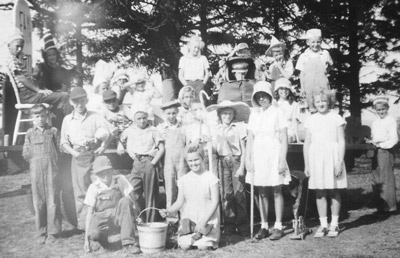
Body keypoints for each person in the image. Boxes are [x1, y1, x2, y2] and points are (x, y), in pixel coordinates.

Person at [60, 87, 113, 230]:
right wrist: (75, 154)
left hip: (94, 154)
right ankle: (84, 226)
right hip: (78, 156)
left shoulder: (95, 116)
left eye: (82, 101)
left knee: (99, 187)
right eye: (76, 101)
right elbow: (63, 142)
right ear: (71, 102)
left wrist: (103, 146)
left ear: (87, 101)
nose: (79, 104)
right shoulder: (67, 120)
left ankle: (102, 223)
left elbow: (110, 132)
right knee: (81, 192)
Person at [246, 81, 291, 241]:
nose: (262, 99)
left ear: (270, 96)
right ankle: (264, 225)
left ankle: (278, 226)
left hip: (274, 152)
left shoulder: (278, 112)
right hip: (258, 154)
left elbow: (284, 138)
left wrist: (282, 160)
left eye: (264, 96)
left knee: (277, 189)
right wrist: (248, 159)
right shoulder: (254, 114)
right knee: (262, 191)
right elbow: (250, 138)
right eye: (259, 97)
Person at [6, 29, 72, 129]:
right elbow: (21, 78)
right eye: (17, 46)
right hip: (29, 96)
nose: (19, 49)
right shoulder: (11, 60)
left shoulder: (16, 59)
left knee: (60, 95)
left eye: (21, 47)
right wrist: (38, 90)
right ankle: (68, 129)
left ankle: (58, 128)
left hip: (32, 95)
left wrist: (41, 90)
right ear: (9, 46)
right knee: (64, 97)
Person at [303, 88, 347, 238]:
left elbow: (341, 141)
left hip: (333, 156)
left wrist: (339, 161)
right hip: (316, 158)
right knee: (319, 191)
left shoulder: (336, 117)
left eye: (323, 101)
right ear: (313, 103)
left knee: (334, 190)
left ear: (329, 102)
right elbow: (307, 143)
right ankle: (323, 225)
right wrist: (307, 165)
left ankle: (334, 223)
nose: (321, 103)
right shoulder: (310, 119)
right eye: (317, 101)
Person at [160, 144, 220, 250]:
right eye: (190, 161)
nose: (193, 163)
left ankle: (208, 238)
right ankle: (188, 235)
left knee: (202, 246)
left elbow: (215, 202)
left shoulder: (211, 178)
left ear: (202, 158)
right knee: (184, 246)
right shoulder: (184, 180)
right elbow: (179, 201)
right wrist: (169, 211)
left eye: (196, 159)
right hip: (190, 220)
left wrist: (204, 221)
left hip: (207, 220)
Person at [206, 100, 250, 237]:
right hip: (222, 161)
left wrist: (242, 167)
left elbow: (244, 149)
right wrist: (207, 142)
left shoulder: (239, 128)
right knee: (226, 194)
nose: (227, 116)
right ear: (220, 115)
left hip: (236, 160)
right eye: (225, 113)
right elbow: (214, 149)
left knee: (239, 194)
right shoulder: (215, 129)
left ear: (234, 114)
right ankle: (229, 224)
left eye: (230, 113)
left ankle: (243, 226)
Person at [83, 155, 140, 254]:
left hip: (117, 216)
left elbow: (131, 201)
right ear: (96, 174)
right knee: (94, 233)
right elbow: (89, 213)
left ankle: (128, 243)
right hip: (101, 219)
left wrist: (137, 216)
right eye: (101, 173)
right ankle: (103, 243)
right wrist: (86, 239)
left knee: (125, 201)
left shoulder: (120, 180)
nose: (105, 176)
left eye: (107, 172)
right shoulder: (94, 187)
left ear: (111, 170)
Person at [22, 104, 61, 244]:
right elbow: (25, 153)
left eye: (43, 116)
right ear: (32, 118)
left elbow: (59, 150)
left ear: (47, 116)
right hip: (36, 169)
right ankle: (41, 232)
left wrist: (53, 164)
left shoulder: (53, 131)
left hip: (51, 168)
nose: (40, 119)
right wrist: (35, 162)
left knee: (52, 201)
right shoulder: (30, 133)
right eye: (37, 116)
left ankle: (53, 232)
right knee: (38, 201)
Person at [117, 109, 165, 222]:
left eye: (144, 118)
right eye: (139, 118)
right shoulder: (130, 130)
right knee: (132, 190)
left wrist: (153, 163)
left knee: (151, 194)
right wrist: (120, 145)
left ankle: (151, 222)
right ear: (134, 120)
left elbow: (162, 149)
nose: (142, 121)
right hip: (137, 162)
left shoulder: (154, 130)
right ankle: (140, 218)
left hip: (150, 161)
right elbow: (121, 138)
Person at [367, 96, 398, 214]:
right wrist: (372, 142)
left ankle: (389, 206)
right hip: (376, 150)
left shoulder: (390, 121)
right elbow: (375, 137)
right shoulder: (375, 122)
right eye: (378, 110)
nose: (381, 112)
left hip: (386, 150)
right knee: (376, 177)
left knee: (386, 177)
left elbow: (394, 139)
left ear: (387, 109)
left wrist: (382, 146)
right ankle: (379, 202)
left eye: (383, 109)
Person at [157, 100, 188, 213]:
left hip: (182, 162)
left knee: (183, 189)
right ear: (164, 114)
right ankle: (171, 220)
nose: (171, 116)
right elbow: (159, 148)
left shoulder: (183, 127)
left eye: (174, 113)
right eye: (168, 113)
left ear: (177, 113)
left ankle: (185, 220)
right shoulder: (161, 128)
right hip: (167, 162)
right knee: (170, 190)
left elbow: (187, 144)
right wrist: (160, 165)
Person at [295, 28, 333, 112]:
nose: (315, 44)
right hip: (309, 85)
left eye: (318, 42)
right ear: (307, 42)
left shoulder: (325, 54)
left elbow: (331, 65)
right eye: (313, 42)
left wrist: (326, 71)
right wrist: (302, 88)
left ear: (321, 42)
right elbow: (302, 73)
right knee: (311, 106)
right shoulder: (304, 56)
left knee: (323, 104)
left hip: (322, 84)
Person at [32, 28, 76, 93]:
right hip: (44, 95)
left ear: (57, 55)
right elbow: (34, 82)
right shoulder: (41, 67)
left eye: (53, 55)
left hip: (58, 96)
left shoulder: (61, 70)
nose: (52, 57)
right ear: (45, 57)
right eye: (49, 55)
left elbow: (64, 88)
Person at [178, 35, 210, 101]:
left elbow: (207, 74)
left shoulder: (203, 58)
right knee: (190, 103)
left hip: (200, 84)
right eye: (195, 47)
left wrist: (203, 84)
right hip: (188, 84)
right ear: (189, 46)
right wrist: (186, 85)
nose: (196, 50)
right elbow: (180, 75)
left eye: (198, 48)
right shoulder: (183, 59)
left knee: (200, 102)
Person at [274, 78, 299, 143]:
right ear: (277, 90)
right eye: (281, 88)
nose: (284, 91)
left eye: (286, 89)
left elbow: (294, 121)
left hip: (289, 131)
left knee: (285, 139)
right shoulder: (274, 103)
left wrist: (298, 139)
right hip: (277, 131)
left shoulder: (294, 104)